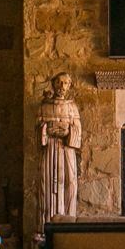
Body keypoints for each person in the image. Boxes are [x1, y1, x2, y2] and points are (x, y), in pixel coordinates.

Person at [37, 72, 82, 229]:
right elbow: (38, 129)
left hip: (66, 150)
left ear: (69, 86)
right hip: (49, 150)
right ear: (54, 84)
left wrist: (68, 131)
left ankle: (68, 226)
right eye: (59, 82)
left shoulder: (72, 107)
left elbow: (78, 131)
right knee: (47, 184)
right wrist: (46, 130)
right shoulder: (44, 107)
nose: (62, 87)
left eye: (65, 83)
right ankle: (45, 228)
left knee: (69, 183)